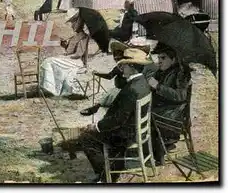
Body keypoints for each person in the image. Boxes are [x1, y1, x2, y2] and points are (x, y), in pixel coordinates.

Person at [77, 48, 152, 183]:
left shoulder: (131, 89)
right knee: (102, 133)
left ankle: (106, 177)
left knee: (86, 138)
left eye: (124, 65)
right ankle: (116, 167)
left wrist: (96, 126)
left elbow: (118, 120)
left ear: (132, 67)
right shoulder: (143, 83)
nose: (121, 67)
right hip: (135, 130)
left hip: (126, 134)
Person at [80, 41, 156, 116]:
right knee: (111, 93)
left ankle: (99, 109)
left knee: (114, 96)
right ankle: (97, 108)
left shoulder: (143, 66)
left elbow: (111, 76)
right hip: (127, 90)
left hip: (131, 93)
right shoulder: (127, 65)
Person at [148, 42, 192, 165]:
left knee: (144, 115)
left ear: (173, 59)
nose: (159, 61)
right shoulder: (162, 70)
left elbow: (180, 96)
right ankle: (157, 147)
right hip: (167, 111)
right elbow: (152, 85)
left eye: (163, 58)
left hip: (175, 115)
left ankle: (158, 154)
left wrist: (157, 86)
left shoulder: (181, 72)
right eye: (158, 58)